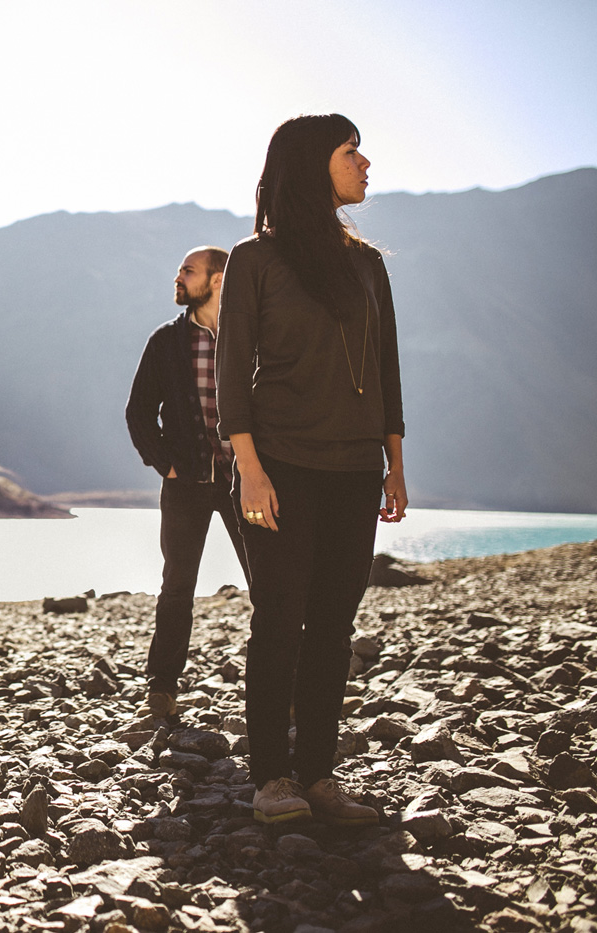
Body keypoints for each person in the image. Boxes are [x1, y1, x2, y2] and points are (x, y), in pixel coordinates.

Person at [216, 113, 407, 826]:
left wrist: (394, 462)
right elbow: (234, 373)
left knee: (334, 626)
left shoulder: (368, 265)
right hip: (281, 468)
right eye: (350, 151)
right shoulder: (255, 259)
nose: (365, 163)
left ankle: (321, 774)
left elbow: (387, 367)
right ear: (308, 165)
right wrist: (250, 468)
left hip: (357, 469)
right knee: (279, 620)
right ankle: (272, 777)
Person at [126, 247, 249, 719]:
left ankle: (286, 688)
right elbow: (138, 413)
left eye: (188, 271)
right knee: (178, 584)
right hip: (186, 483)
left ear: (217, 280)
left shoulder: (249, 338)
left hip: (250, 483)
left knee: (268, 585)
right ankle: (161, 688)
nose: (178, 277)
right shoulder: (166, 342)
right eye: (180, 269)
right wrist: (167, 466)